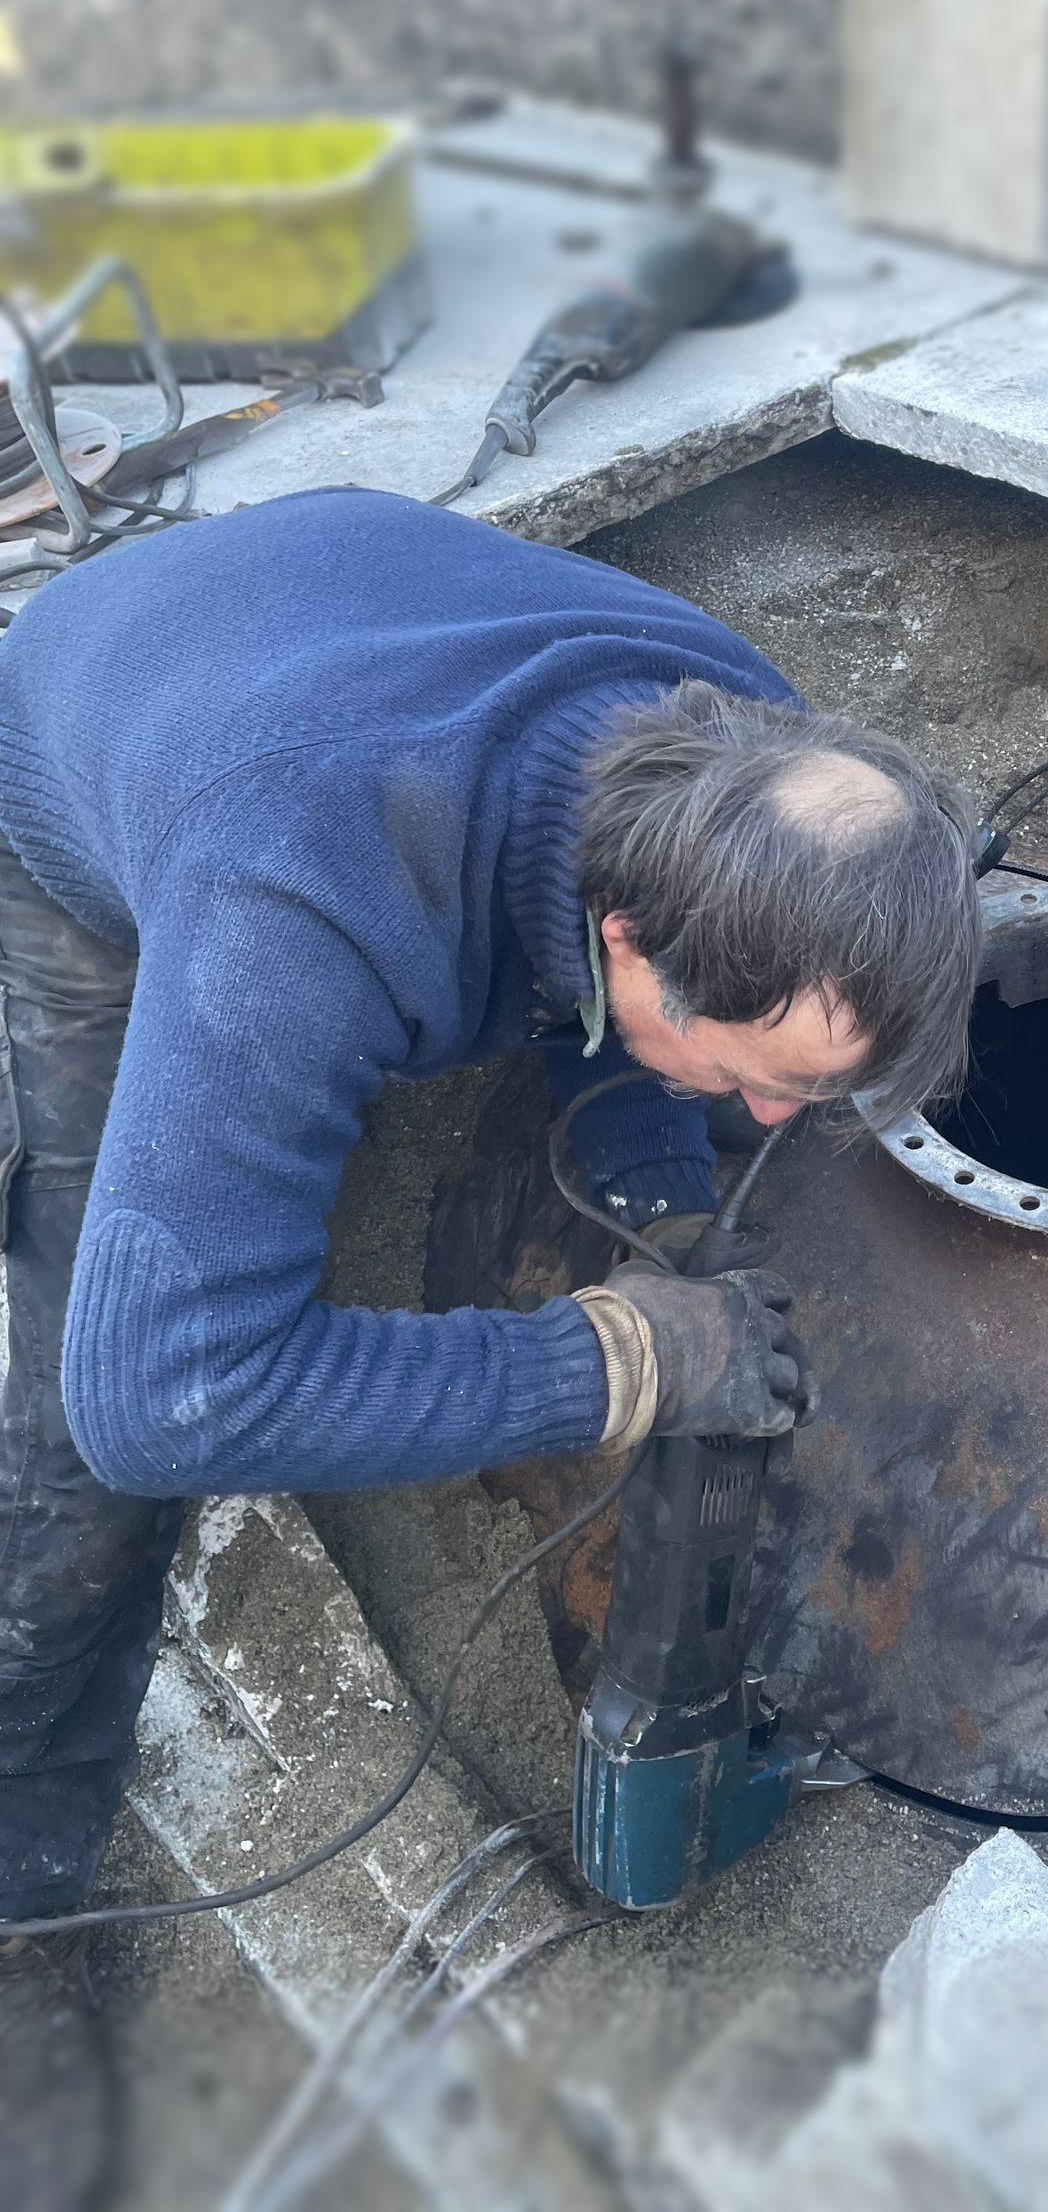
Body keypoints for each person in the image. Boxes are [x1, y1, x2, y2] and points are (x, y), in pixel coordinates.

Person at [0, 486, 981, 2208]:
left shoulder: (744, 752)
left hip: (316, 625)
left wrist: (664, 1204)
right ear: (626, 939)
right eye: (754, 1067)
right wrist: (615, 1353)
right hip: (78, 763)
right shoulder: (293, 885)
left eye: (807, 1090)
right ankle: (23, 1872)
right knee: (86, 1419)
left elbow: (611, 1021)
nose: (774, 1115)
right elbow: (167, 1396)